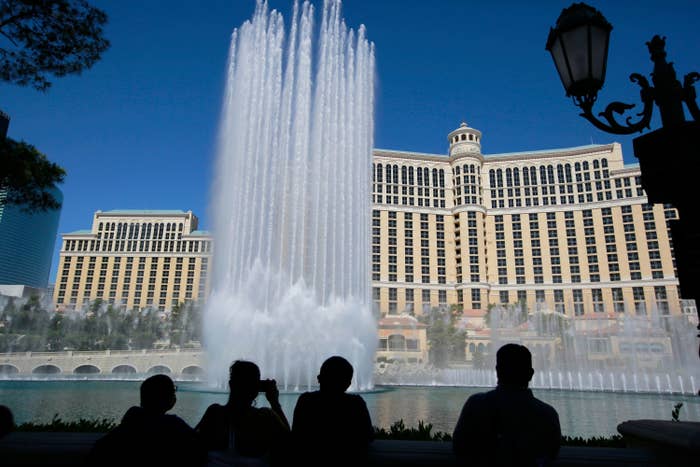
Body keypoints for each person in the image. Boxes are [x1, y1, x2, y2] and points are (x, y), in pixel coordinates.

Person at [453, 343, 561, 467]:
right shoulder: (547, 414)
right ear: (531, 374)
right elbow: (552, 453)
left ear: (498, 371)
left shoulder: (475, 405)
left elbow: (459, 447)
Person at [87, 374, 207, 467]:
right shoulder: (173, 423)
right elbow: (200, 447)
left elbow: (100, 447)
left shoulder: (132, 418)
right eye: (173, 391)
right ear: (166, 398)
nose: (175, 395)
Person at [196, 360, 290, 466]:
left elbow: (195, 445)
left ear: (231, 385)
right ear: (257, 388)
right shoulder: (266, 417)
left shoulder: (214, 414)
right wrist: (274, 402)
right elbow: (289, 445)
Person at [291, 355, 374, 467]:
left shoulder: (306, 401)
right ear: (348, 384)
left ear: (319, 379)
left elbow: (296, 436)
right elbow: (369, 435)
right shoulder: (356, 404)